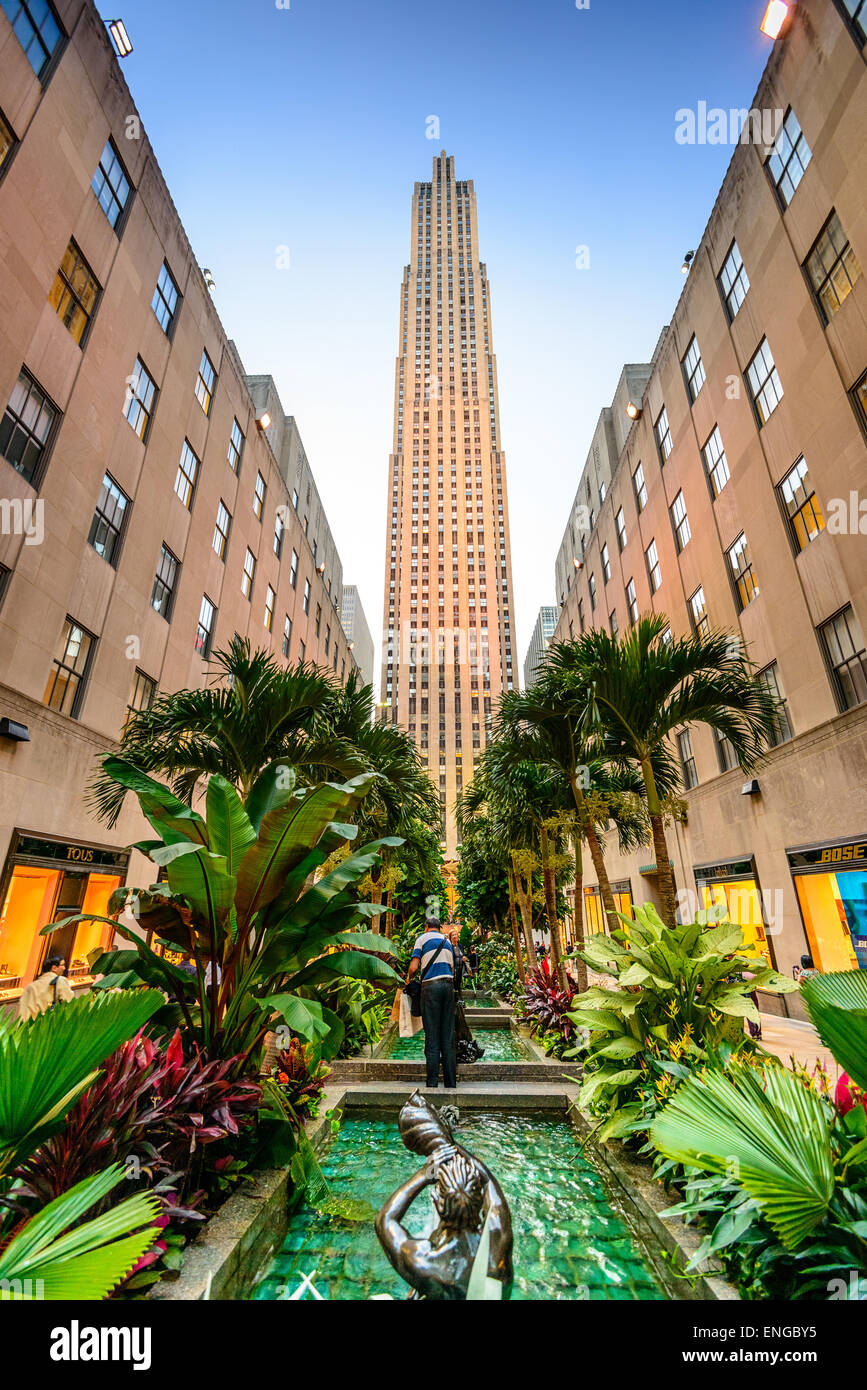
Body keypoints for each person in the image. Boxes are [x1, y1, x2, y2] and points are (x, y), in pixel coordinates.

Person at [406, 917, 456, 1089]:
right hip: (448, 987)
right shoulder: (446, 941)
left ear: (427, 927)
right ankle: (450, 1084)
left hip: (431, 988)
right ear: (440, 927)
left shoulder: (421, 939)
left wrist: (409, 979)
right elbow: (452, 968)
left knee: (432, 1038)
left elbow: (413, 968)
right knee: (447, 1038)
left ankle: (432, 1084)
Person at [17, 954, 75, 1021]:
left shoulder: (31, 987)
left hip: (30, 1026)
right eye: (62, 965)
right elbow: (69, 1003)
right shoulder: (60, 981)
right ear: (54, 968)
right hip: (47, 1025)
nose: (64, 968)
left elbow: (22, 1015)